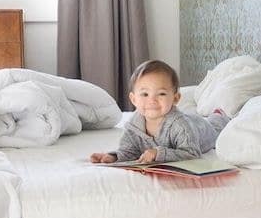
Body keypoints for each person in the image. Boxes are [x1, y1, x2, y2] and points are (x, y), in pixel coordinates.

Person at [90, 60, 230, 164]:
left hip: (201, 129)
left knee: (216, 128)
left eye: (161, 94)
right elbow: (129, 150)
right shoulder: (134, 125)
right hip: (189, 119)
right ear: (133, 99)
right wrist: (113, 157)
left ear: (175, 98)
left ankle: (218, 115)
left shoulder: (180, 126)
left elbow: (191, 153)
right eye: (145, 95)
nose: (152, 100)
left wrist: (159, 154)